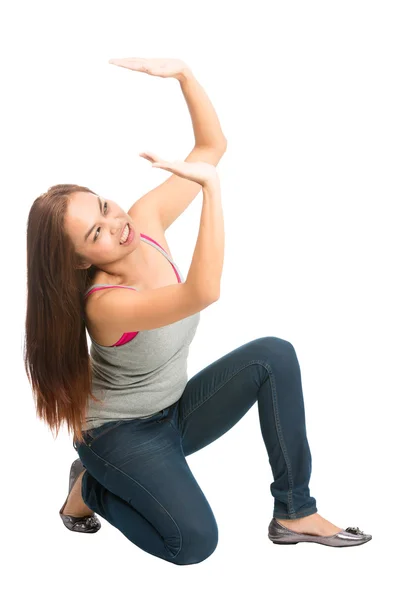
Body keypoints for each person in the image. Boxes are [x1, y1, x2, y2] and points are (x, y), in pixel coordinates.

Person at [23, 57, 371, 565]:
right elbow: (204, 291)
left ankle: (295, 511)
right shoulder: (108, 305)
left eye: (102, 205)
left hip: (174, 412)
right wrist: (210, 189)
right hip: (121, 436)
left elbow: (212, 148)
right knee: (193, 545)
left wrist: (185, 75)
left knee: (273, 355)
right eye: (94, 232)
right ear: (79, 260)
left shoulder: (144, 219)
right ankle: (90, 486)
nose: (113, 223)